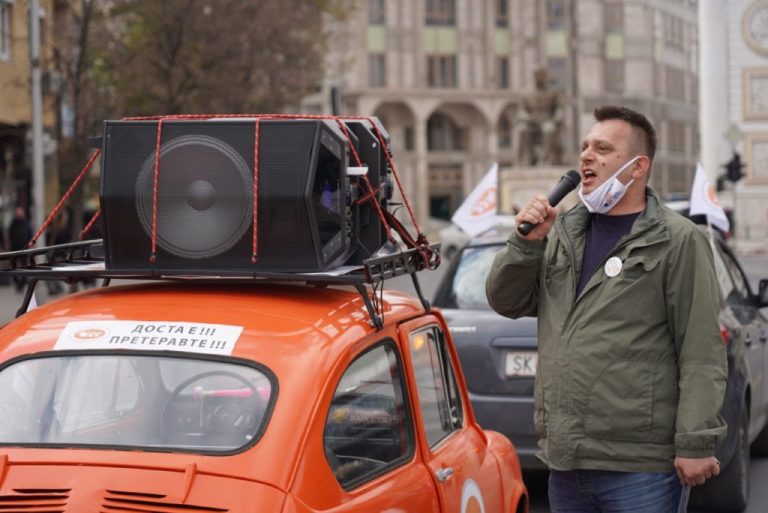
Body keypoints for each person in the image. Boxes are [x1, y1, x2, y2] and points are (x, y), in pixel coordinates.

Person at [486, 105, 726, 512]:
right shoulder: (563, 231)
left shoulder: (677, 240)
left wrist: (696, 441)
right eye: (584, 147)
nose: (586, 156)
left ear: (637, 167)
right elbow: (506, 301)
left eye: (602, 148)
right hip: (565, 461)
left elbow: (701, 350)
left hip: (639, 468)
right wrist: (526, 245)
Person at [8, 206, 33, 292]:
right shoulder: (13, 224)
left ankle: (22, 284)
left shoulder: (26, 224)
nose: (19, 214)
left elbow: (30, 235)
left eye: (20, 212)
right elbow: (9, 236)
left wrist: (30, 246)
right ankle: (17, 283)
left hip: (24, 249)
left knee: (25, 267)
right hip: (14, 249)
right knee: (13, 268)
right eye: (17, 212)